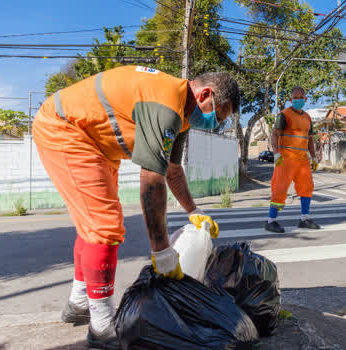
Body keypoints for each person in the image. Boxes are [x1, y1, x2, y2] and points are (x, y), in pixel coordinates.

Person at [31, 65, 240, 349]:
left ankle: (81, 301)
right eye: (217, 115)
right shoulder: (166, 107)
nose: (214, 124)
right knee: (105, 226)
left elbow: (172, 171)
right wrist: (162, 251)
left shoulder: (181, 115)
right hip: (67, 129)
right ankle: (102, 325)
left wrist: (194, 211)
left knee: (92, 224)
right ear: (205, 94)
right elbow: (152, 180)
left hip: (96, 144)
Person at [265, 86, 321, 233]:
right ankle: (271, 221)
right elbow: (275, 134)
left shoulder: (307, 118)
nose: (298, 100)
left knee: (307, 188)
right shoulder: (284, 115)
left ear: (305, 99)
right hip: (286, 159)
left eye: (300, 97)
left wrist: (314, 157)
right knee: (279, 189)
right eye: (295, 98)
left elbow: (309, 139)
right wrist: (276, 153)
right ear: (291, 100)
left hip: (302, 160)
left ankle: (304, 219)